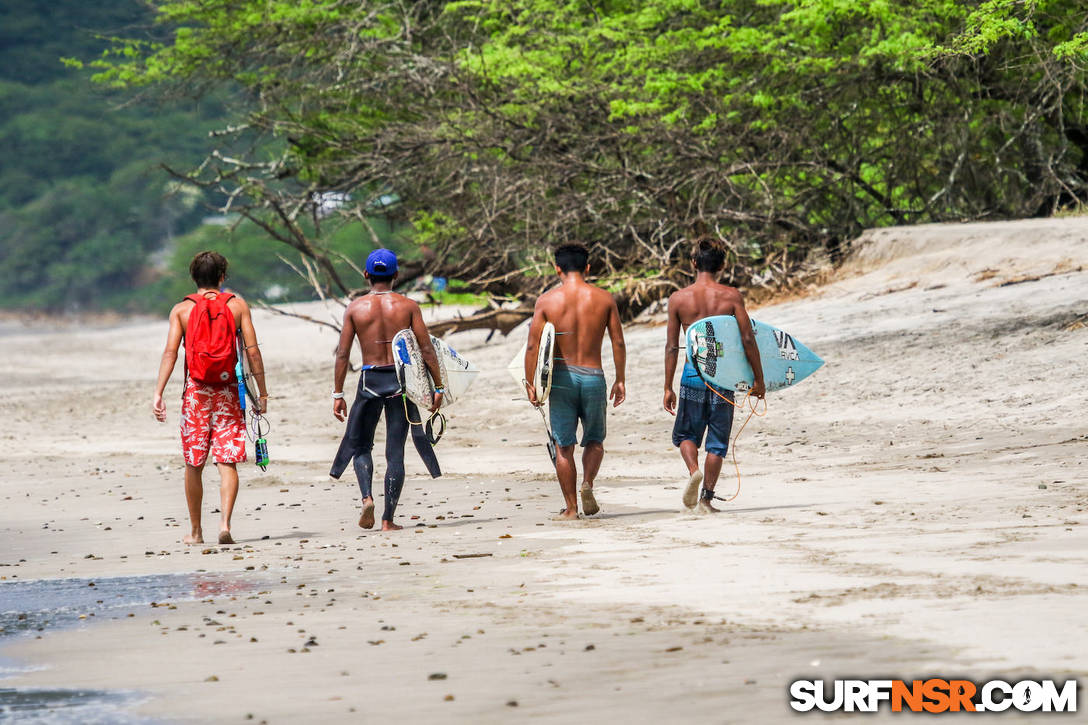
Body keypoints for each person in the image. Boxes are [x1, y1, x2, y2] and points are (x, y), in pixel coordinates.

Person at [152, 251, 268, 544]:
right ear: (222, 277)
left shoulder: (181, 310)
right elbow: (252, 352)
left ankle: (195, 531)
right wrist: (262, 393)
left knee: (194, 463)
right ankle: (225, 525)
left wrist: (159, 392)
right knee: (226, 460)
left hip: (196, 392)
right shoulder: (238, 306)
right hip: (228, 390)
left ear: (193, 277)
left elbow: (170, 352)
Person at [329, 249, 443, 531]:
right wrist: (437, 386)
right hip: (400, 381)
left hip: (369, 380)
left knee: (361, 445)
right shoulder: (408, 306)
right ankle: (388, 519)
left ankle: (367, 497)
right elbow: (426, 348)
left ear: (366, 275)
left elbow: (342, 354)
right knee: (395, 453)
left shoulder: (355, 309)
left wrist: (338, 394)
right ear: (396, 275)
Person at [525, 243, 626, 520]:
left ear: (557, 268)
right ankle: (587, 484)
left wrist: (530, 382)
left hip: (562, 380)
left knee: (563, 446)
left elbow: (533, 346)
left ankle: (571, 508)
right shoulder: (604, 299)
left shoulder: (546, 301)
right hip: (594, 377)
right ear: (588, 267)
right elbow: (617, 341)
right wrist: (620, 379)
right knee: (594, 440)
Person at [663, 239, 765, 513]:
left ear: (693, 263)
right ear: (722, 265)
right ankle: (706, 499)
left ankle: (693, 470)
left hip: (692, 375)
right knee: (717, 442)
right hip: (724, 378)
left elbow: (673, 345)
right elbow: (747, 338)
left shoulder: (678, 299)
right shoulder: (731, 296)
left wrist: (667, 387)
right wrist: (759, 379)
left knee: (686, 434)